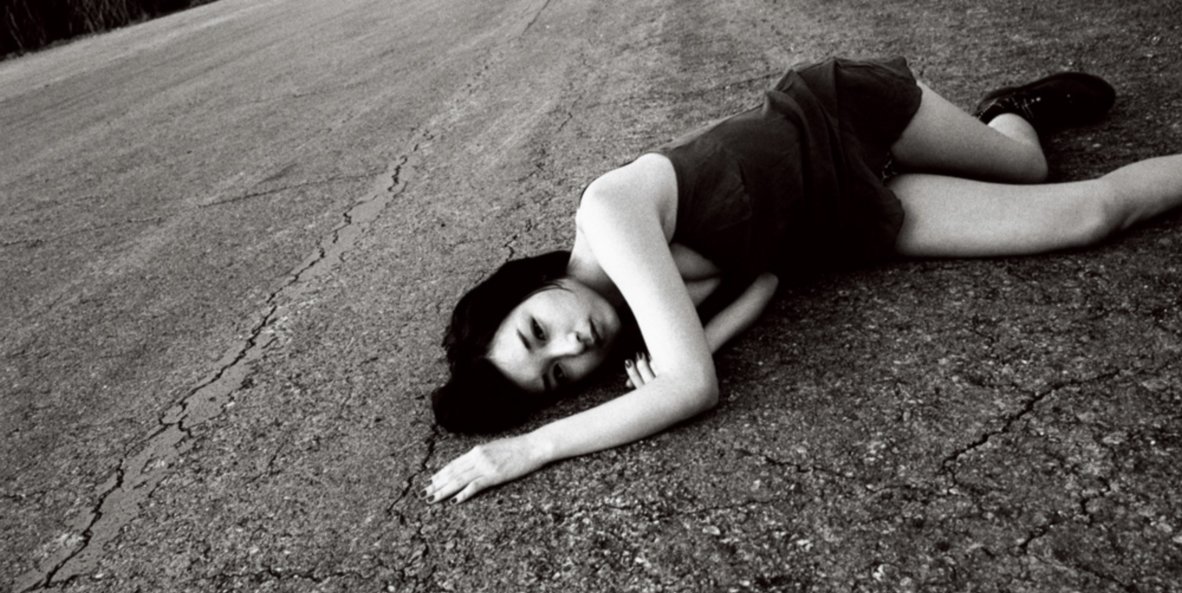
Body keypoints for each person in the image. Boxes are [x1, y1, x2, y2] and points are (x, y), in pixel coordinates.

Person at [424, 56, 1182, 504]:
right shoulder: (642, 314)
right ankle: (1005, 123)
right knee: (1091, 215)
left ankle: (1010, 111)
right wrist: (695, 345)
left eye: (537, 331)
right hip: (854, 219)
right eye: (559, 375)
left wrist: (531, 449)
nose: (573, 345)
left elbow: (692, 388)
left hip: (845, 120)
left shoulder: (608, 214)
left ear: (524, 288)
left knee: (1027, 166)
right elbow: (762, 282)